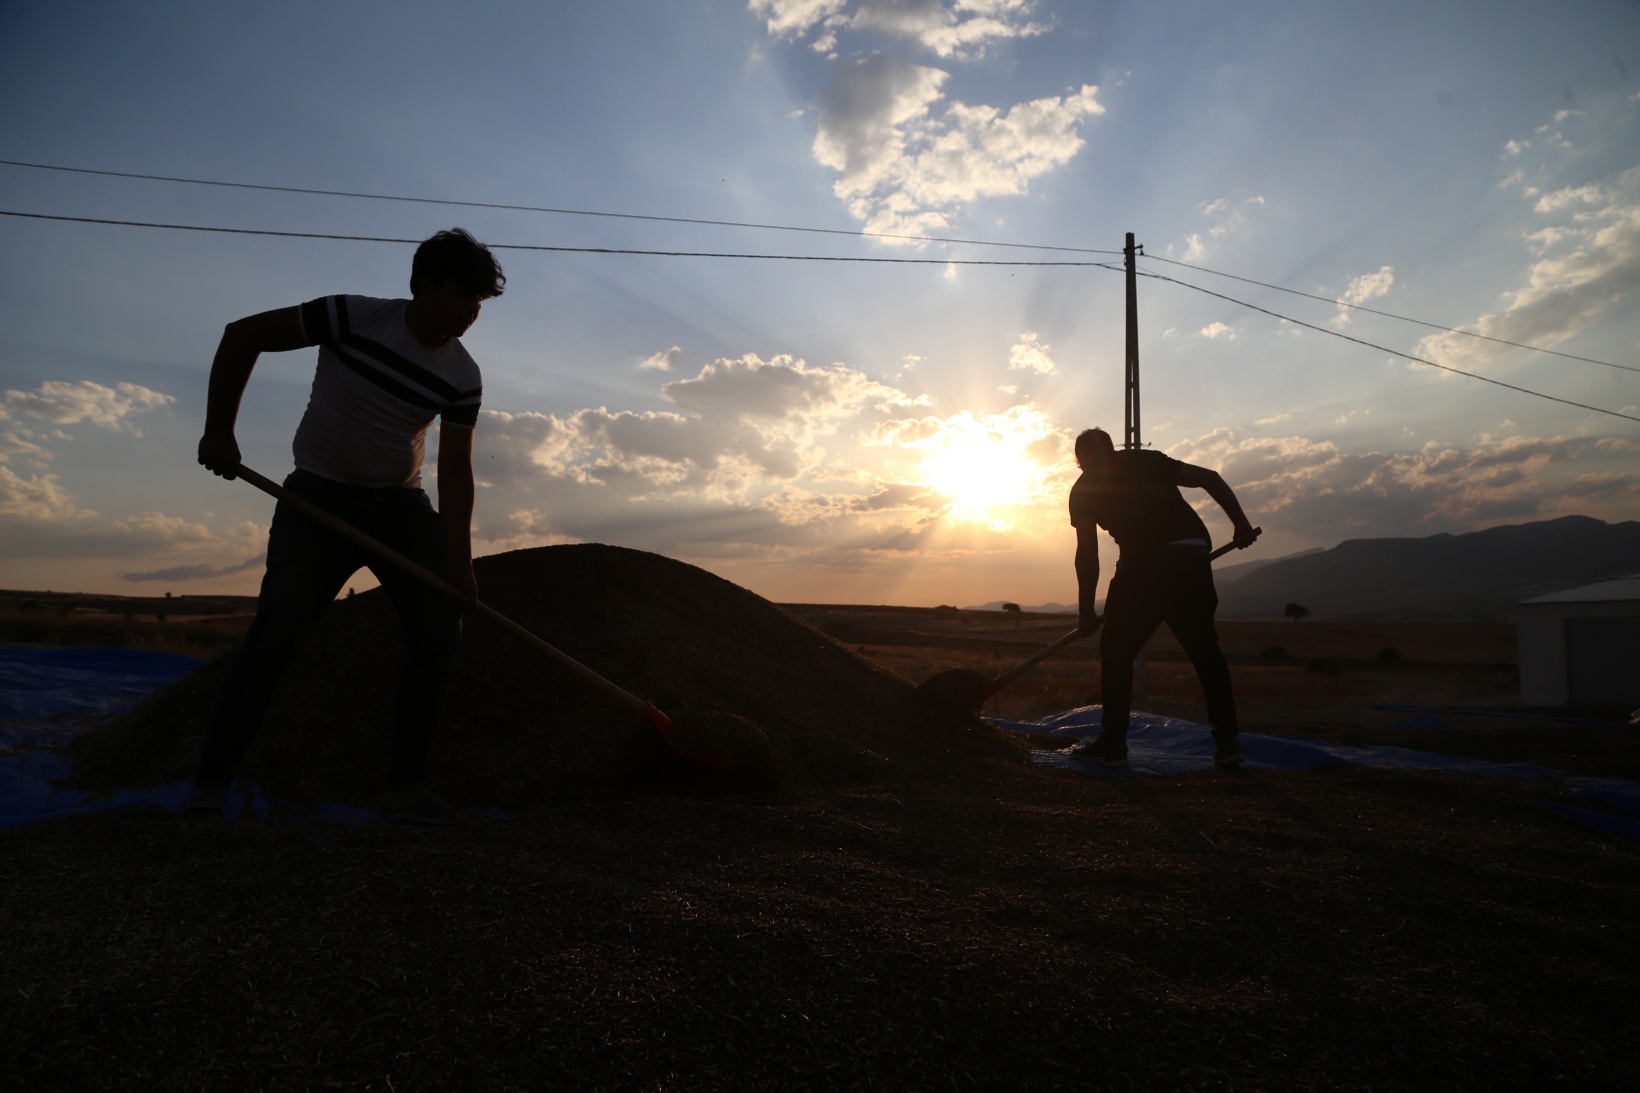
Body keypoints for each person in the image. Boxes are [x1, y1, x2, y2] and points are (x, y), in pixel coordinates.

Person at [186, 228, 504, 823]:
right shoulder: (351, 317)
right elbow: (243, 335)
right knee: (277, 635)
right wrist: (219, 431)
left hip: (401, 510)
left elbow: (457, 473)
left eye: (480, 302)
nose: (472, 311)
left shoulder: (463, 376)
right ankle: (209, 785)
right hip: (318, 502)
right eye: (465, 294)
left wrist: (460, 568)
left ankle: (403, 789)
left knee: (438, 632)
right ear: (426, 285)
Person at [1064, 427, 1259, 768]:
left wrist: (1085, 609)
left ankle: (1113, 745)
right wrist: (1240, 524)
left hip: (1145, 567)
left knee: (1116, 652)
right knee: (1205, 653)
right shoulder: (1147, 460)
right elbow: (1210, 478)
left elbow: (1088, 552)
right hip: (1191, 558)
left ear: (1080, 460)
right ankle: (1228, 745)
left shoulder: (1083, 489)